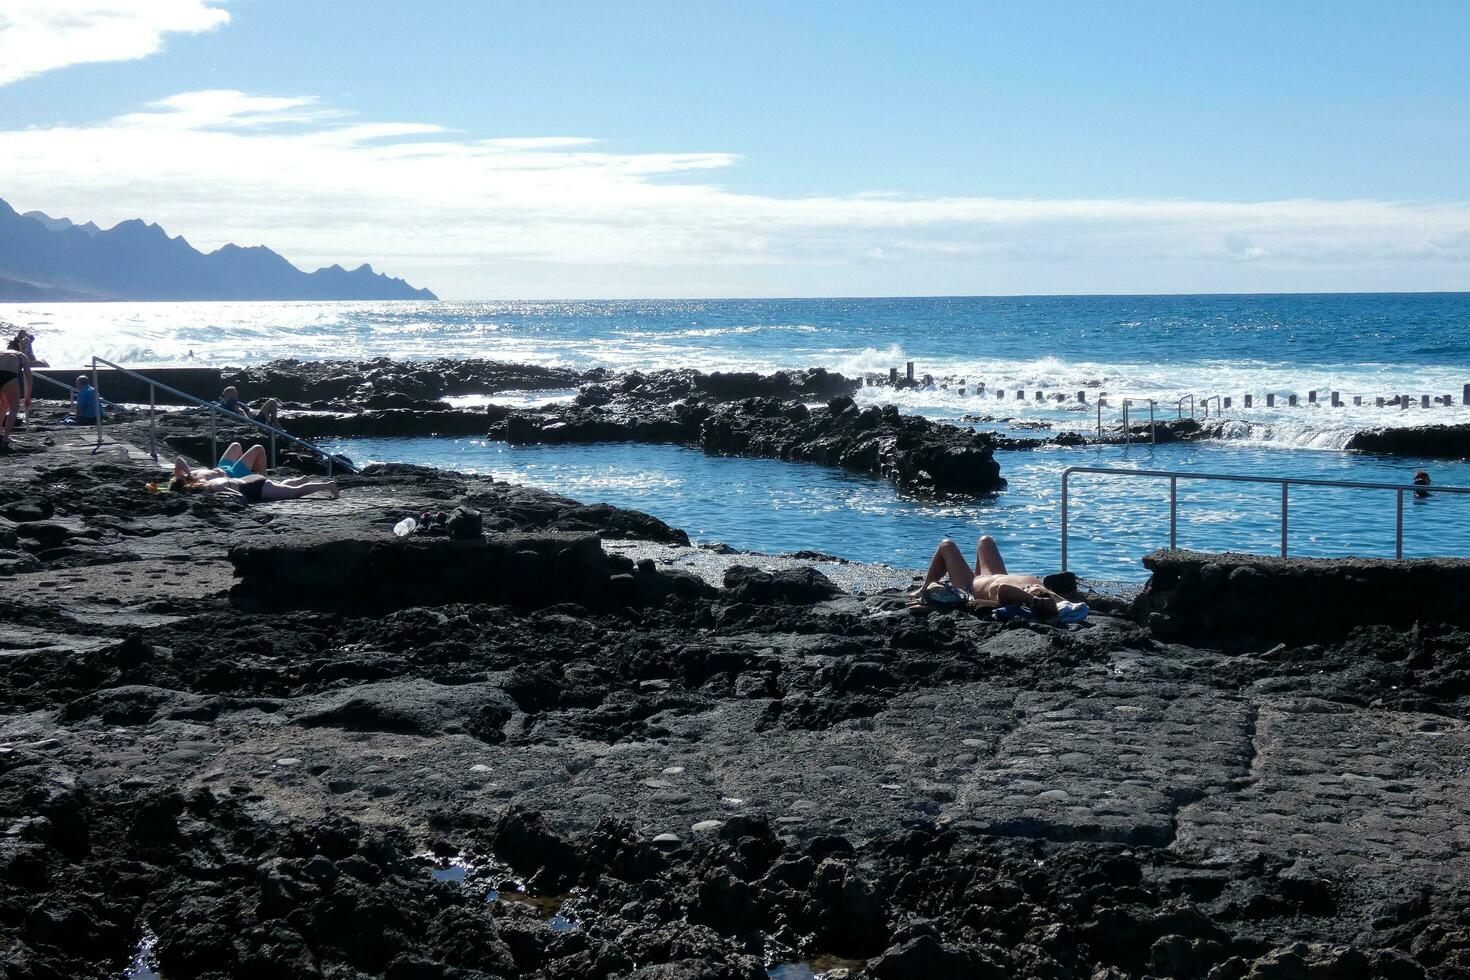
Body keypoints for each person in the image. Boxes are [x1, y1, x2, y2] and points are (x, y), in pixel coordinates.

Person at [917, 534, 1067, 617]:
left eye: (1032, 590)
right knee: (986, 540)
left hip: (969, 586)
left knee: (946, 545)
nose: (1032, 586)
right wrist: (1053, 597)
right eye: (1037, 588)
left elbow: (1003, 588)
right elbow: (1065, 602)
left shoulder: (1010, 595)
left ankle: (924, 588)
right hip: (993, 575)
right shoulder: (1036, 586)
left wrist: (1035, 601)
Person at [169, 469, 338, 503]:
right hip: (250, 479)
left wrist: (240, 500)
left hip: (254, 488)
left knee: (295, 494)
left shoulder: (208, 488)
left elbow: (231, 493)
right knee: (279, 486)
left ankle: (328, 485)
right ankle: (298, 480)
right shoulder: (203, 481)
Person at [0, 344, 31, 448]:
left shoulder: (1, 353)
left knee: (3, 405)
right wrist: (27, 397)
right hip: (10, 377)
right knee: (14, 408)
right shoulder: (22, 356)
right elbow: (28, 378)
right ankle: (6, 437)